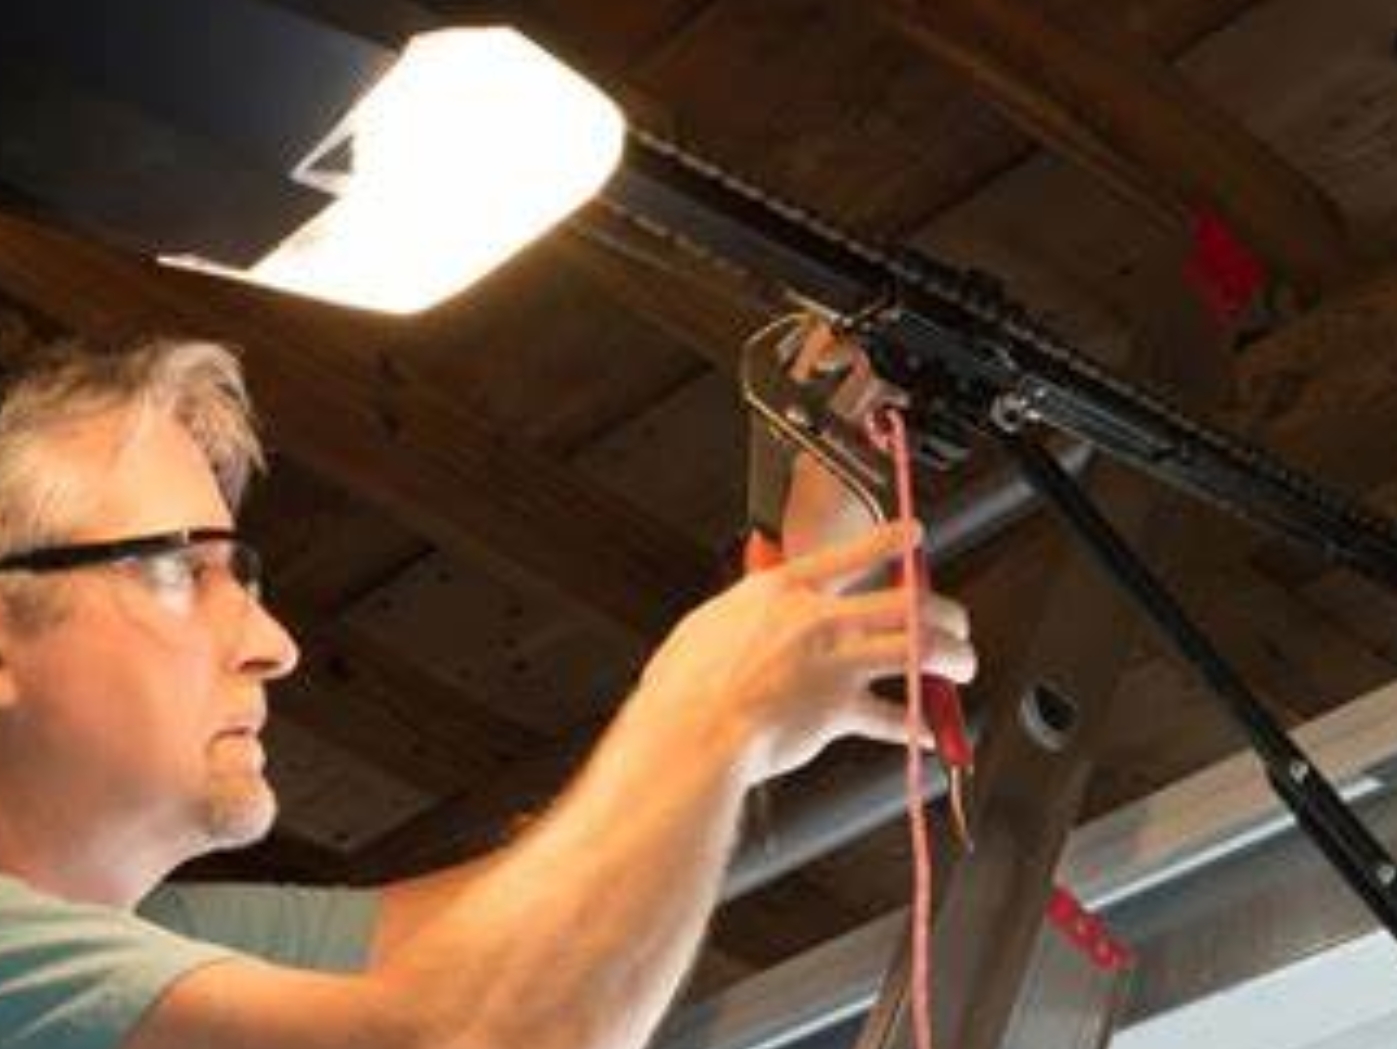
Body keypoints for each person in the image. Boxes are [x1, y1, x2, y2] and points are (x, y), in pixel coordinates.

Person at [0, 337, 976, 1049]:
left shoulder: (156, 944)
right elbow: (477, 1034)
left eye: (243, 579)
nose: (273, 644)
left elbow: (542, 927)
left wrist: (781, 599)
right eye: (180, 572)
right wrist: (711, 714)